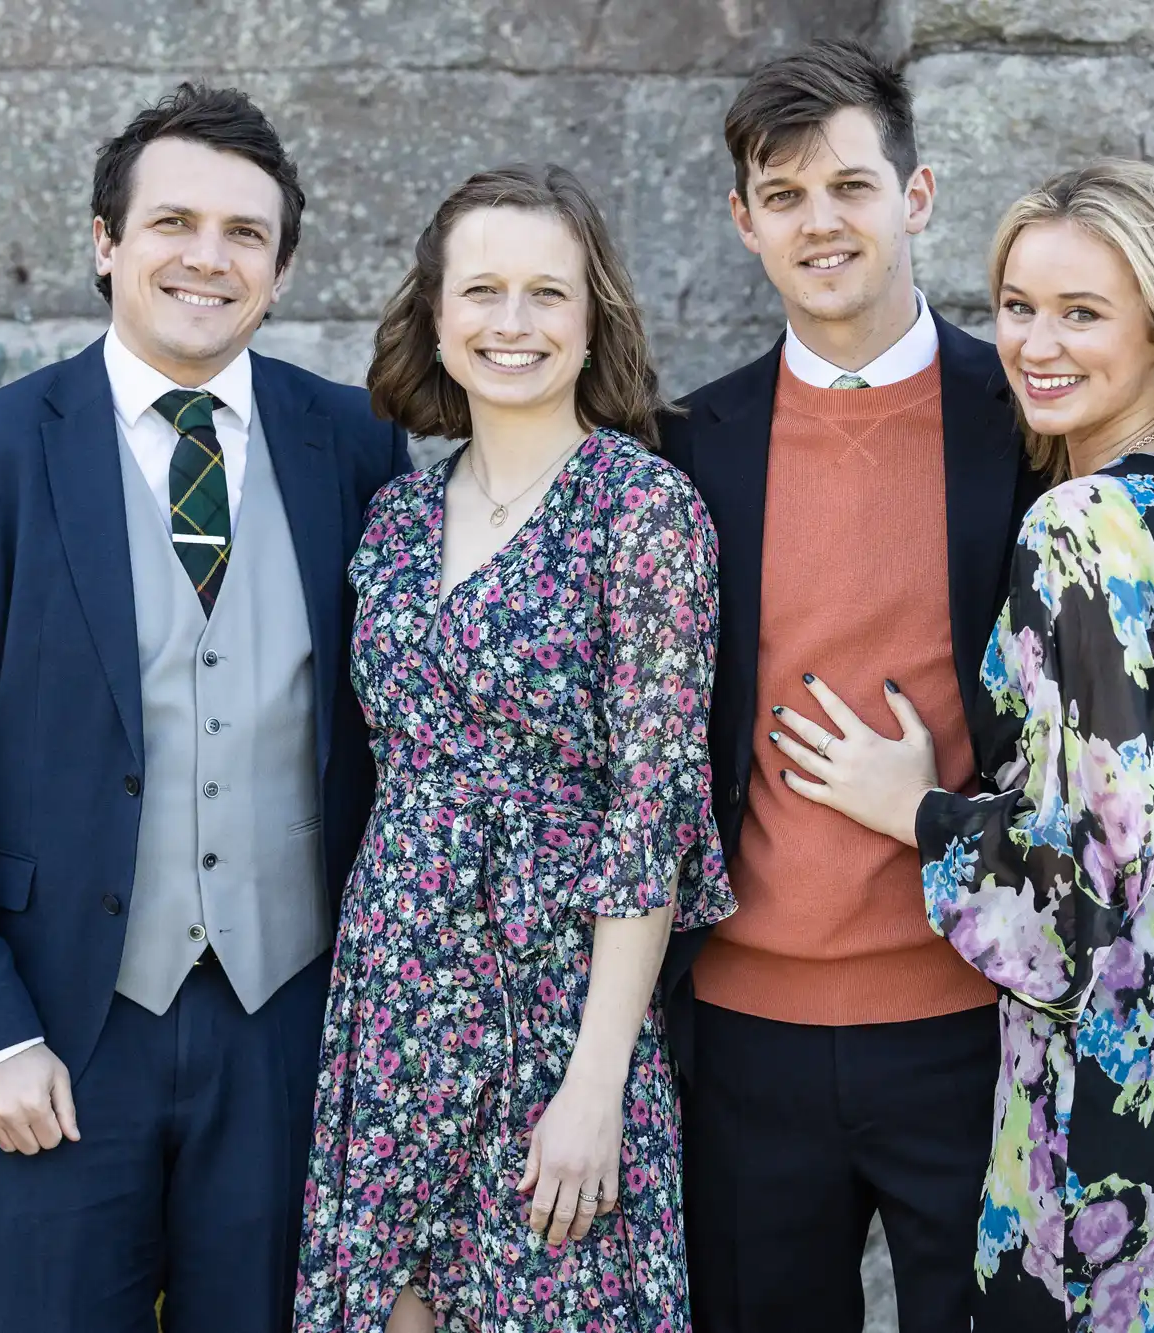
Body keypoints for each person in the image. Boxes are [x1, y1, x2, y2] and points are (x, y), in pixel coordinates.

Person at [652, 41, 1154, 1333]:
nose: (822, 222)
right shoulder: (689, 443)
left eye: (851, 184)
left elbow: (1143, 658)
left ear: (915, 198)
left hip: (975, 1020)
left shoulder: (1031, 417)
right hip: (748, 1031)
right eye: (784, 194)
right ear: (744, 221)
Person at [0, 84, 411, 1332]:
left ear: (278, 271)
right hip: (54, 1033)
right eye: (172, 222)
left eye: (244, 234)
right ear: (107, 242)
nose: (205, 258)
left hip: (289, 1030)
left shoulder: (358, 448)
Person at [294, 164, 732, 1333]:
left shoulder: (642, 512)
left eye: (548, 293)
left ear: (593, 322)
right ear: (435, 318)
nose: (512, 323)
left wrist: (595, 1085)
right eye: (481, 291)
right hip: (393, 1001)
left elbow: (653, 813)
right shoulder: (394, 518)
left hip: (555, 1011)